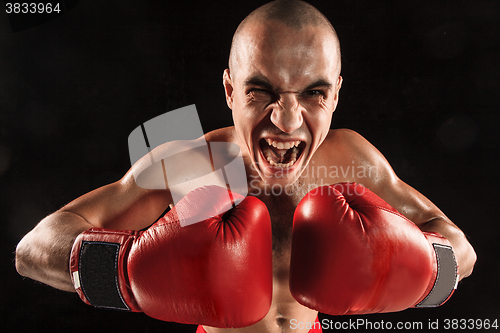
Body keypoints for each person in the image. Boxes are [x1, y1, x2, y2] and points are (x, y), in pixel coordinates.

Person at [15, 1, 476, 333]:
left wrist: (422, 269)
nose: (287, 120)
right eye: (261, 91)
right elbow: (32, 250)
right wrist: (126, 272)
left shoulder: (351, 160)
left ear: (335, 95)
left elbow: (463, 251)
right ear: (230, 90)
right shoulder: (193, 165)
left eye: (313, 94)